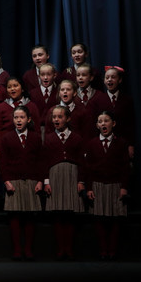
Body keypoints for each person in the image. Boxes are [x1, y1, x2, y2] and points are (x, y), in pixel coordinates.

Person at [0, 106, 43, 260]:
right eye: (16, 117)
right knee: (15, 217)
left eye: (22, 117)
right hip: (14, 181)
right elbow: (3, 162)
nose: (18, 120)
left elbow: (40, 161)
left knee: (30, 216)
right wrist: (6, 181)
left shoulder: (36, 137)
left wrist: (40, 181)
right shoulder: (7, 137)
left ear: (28, 119)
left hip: (31, 181)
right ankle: (17, 250)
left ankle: (28, 250)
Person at [83, 110, 130, 260]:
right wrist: (89, 188)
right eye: (100, 121)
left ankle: (113, 250)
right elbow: (88, 168)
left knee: (115, 219)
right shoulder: (91, 144)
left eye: (106, 120)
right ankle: (103, 250)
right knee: (99, 219)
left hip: (115, 185)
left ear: (113, 123)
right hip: (97, 185)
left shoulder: (121, 143)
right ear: (97, 125)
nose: (103, 123)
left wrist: (124, 187)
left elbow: (125, 167)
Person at [42, 105, 85, 260]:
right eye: (54, 117)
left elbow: (81, 161)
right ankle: (61, 249)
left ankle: (69, 248)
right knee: (59, 214)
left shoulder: (77, 138)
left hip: (72, 176)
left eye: (60, 117)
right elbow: (45, 161)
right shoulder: (49, 138)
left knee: (70, 214)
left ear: (68, 118)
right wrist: (46, 182)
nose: (56, 120)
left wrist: (81, 180)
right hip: (55, 176)